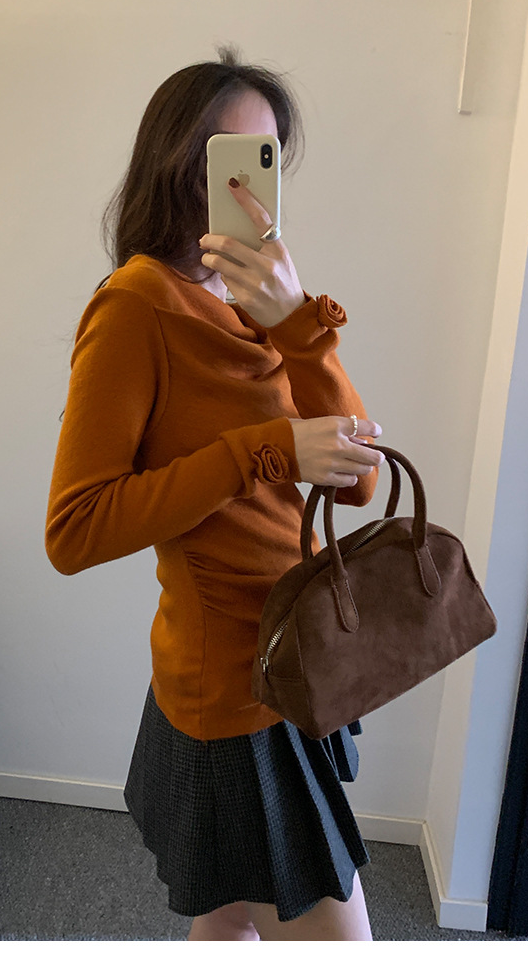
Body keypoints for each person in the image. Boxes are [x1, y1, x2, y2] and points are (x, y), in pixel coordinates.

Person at [45, 46, 384, 941]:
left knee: (230, 918)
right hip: (231, 694)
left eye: (265, 159)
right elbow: (74, 529)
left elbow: (360, 478)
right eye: (230, 158)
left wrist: (299, 324)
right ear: (176, 163)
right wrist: (262, 452)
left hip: (290, 656)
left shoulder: (254, 298)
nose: (251, 188)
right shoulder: (135, 307)